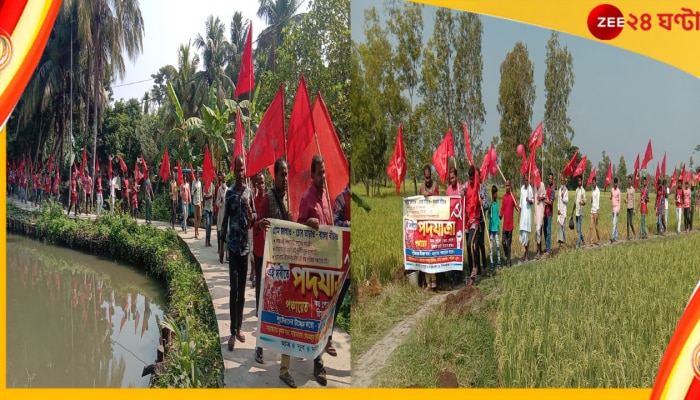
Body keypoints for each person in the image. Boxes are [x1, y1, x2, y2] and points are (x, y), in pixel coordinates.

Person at [252, 159, 293, 382]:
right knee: (263, 303)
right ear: (274, 176)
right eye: (282, 174)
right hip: (267, 262)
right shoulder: (268, 199)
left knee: (282, 306)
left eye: (287, 174)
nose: (285, 179)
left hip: (284, 263)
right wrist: (260, 225)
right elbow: (257, 223)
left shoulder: (289, 198)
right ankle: (259, 346)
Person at [297, 154, 332, 386]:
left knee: (323, 312)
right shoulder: (307, 198)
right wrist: (307, 224)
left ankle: (318, 350)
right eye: (320, 172)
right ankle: (318, 362)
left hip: (327, 264)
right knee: (315, 312)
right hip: (311, 268)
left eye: (325, 172)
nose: (323, 176)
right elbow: (296, 228)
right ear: (312, 174)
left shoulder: (326, 196)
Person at [219, 155, 256, 355]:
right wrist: (221, 245)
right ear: (234, 171)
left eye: (243, 170)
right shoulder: (230, 193)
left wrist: (253, 214)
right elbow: (224, 220)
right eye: (238, 169)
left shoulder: (249, 193)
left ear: (245, 171)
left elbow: (255, 218)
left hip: (245, 249)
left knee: (242, 291)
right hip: (233, 247)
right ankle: (232, 332)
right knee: (233, 289)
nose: (240, 173)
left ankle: (240, 327)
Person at [418, 164, 439, 291]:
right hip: (424, 225)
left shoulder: (435, 186)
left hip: (435, 224)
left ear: (431, 176)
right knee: (425, 253)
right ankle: (428, 282)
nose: (427, 180)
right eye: (425, 178)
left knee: (433, 252)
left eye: (429, 177)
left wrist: (429, 195)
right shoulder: (421, 188)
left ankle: (435, 280)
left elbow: (438, 201)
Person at [446, 167, 463, 283]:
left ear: (456, 177)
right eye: (450, 178)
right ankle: (452, 273)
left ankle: (459, 273)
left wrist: (462, 195)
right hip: (450, 223)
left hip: (459, 224)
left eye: (453, 177)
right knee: (451, 248)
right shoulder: (448, 190)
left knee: (458, 247)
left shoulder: (460, 188)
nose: (451, 180)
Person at [465, 166, 481, 284]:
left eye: (472, 179)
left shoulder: (478, 187)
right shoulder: (466, 186)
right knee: (468, 247)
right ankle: (472, 275)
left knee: (471, 243)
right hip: (467, 222)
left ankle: (475, 267)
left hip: (475, 221)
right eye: (469, 179)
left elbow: (484, 203)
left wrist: (482, 203)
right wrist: (461, 193)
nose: (471, 181)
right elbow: (461, 191)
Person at [250, 173, 266, 287]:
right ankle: (254, 274)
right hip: (257, 239)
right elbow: (252, 222)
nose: (261, 185)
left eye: (263, 183)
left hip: (267, 241)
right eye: (259, 183)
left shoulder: (268, 201)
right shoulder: (254, 201)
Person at [499, 179, 519, 267]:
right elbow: (502, 208)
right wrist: (500, 215)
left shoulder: (513, 196)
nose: (507, 187)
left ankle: (508, 262)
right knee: (503, 241)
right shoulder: (504, 197)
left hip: (510, 225)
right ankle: (507, 255)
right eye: (506, 185)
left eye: (508, 185)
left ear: (510, 186)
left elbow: (516, 206)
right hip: (504, 225)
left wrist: (518, 208)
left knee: (509, 244)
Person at [518, 175, 534, 261]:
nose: (526, 181)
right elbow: (520, 202)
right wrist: (519, 214)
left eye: (527, 180)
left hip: (528, 216)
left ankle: (527, 255)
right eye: (525, 180)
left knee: (526, 236)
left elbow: (533, 200)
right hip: (523, 216)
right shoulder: (522, 189)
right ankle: (525, 251)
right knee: (522, 235)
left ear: (529, 180)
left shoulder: (530, 189)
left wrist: (530, 201)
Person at [488, 185, 501, 270]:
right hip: (491, 229)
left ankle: (499, 262)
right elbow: (488, 215)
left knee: (498, 246)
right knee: (491, 246)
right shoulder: (490, 204)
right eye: (495, 193)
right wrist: (490, 206)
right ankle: (492, 263)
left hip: (496, 228)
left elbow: (497, 216)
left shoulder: (497, 203)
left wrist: (499, 227)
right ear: (493, 194)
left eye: (496, 192)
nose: (496, 194)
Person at [216, 171, 228, 255]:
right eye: (222, 177)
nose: (223, 179)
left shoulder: (228, 190)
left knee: (227, 232)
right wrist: (221, 201)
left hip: (226, 214)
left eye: (224, 177)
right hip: (220, 213)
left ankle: (226, 251)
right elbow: (216, 202)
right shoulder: (219, 190)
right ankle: (220, 248)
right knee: (220, 231)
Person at [534, 180, 546, 259]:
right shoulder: (534, 185)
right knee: (537, 231)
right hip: (536, 211)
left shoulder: (542, 184)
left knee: (538, 229)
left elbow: (545, 196)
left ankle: (538, 252)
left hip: (541, 210)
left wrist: (540, 198)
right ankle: (539, 249)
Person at [203, 174, 215, 246]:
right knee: (207, 223)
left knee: (210, 225)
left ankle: (209, 240)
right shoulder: (205, 186)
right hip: (207, 208)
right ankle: (206, 239)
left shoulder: (212, 186)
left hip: (211, 208)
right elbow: (204, 197)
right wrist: (209, 197)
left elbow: (213, 196)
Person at [544, 173, 554, 255]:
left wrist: (544, 201)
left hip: (549, 213)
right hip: (545, 212)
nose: (550, 180)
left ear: (553, 180)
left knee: (548, 231)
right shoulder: (547, 188)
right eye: (549, 178)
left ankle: (549, 249)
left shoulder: (553, 190)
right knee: (545, 230)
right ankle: (547, 247)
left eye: (551, 178)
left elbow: (550, 202)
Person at [575, 175, 586, 248]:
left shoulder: (583, 191)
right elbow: (575, 201)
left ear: (582, 181)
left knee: (579, 228)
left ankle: (578, 244)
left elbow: (585, 202)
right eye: (578, 180)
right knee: (577, 229)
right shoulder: (577, 190)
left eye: (580, 180)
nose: (579, 181)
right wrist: (572, 211)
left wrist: (581, 203)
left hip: (580, 212)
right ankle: (583, 239)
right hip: (576, 211)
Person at [589, 176, 601, 246]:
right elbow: (591, 202)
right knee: (591, 227)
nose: (593, 184)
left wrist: (597, 211)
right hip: (592, 210)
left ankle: (599, 239)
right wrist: (591, 199)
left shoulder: (597, 191)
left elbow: (598, 202)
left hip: (596, 211)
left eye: (594, 183)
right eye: (592, 183)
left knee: (596, 227)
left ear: (596, 182)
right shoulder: (592, 190)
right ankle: (591, 242)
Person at [192, 170, 203, 239]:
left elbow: (201, 193)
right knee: (195, 218)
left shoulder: (200, 183)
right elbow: (191, 193)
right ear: (195, 175)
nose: (197, 175)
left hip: (199, 202)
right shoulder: (193, 183)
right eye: (196, 174)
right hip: (195, 203)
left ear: (199, 175)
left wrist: (201, 202)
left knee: (200, 217)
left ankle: (197, 229)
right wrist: (194, 190)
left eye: (198, 174)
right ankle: (195, 232)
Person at [610, 177, 621, 243]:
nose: (615, 184)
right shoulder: (612, 190)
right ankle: (616, 237)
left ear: (617, 183)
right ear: (613, 183)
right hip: (613, 208)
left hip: (616, 208)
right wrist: (610, 197)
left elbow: (619, 201)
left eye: (616, 183)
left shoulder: (618, 191)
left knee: (614, 223)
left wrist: (618, 210)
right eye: (614, 183)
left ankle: (612, 236)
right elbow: (611, 197)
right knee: (615, 223)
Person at [626, 175, 636, 240]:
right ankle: (628, 236)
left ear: (631, 181)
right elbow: (627, 198)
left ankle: (634, 233)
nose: (629, 182)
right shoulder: (627, 189)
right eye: (628, 180)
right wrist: (625, 200)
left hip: (632, 207)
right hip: (628, 207)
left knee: (631, 223)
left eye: (630, 180)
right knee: (627, 222)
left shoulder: (633, 189)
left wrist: (634, 209)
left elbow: (634, 199)